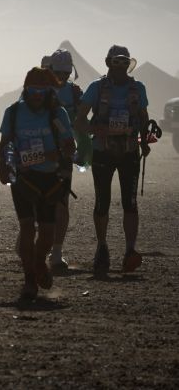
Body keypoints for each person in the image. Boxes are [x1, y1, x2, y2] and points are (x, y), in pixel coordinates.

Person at [0, 67, 76, 299]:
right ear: (26, 89)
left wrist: (61, 153)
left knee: (48, 234)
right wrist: (3, 165)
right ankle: (29, 280)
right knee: (27, 227)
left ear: (50, 91)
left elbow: (70, 146)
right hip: (23, 179)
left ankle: (40, 261)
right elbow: (3, 144)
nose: (38, 95)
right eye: (33, 90)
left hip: (50, 180)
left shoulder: (58, 114)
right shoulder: (13, 113)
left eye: (43, 90)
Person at [74, 45, 150, 275]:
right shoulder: (96, 87)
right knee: (102, 201)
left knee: (130, 202)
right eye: (115, 63)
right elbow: (80, 119)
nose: (119, 68)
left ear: (128, 64)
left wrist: (144, 141)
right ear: (108, 63)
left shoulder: (138, 88)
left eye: (123, 63)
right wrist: (94, 131)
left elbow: (144, 117)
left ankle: (129, 250)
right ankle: (102, 248)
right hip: (102, 152)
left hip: (129, 151)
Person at [46, 48, 87, 272]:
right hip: (38, 155)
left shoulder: (75, 92)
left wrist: (84, 150)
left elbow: (82, 121)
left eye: (65, 72)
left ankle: (57, 253)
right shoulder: (37, 90)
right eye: (57, 72)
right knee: (37, 202)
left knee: (61, 203)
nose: (61, 77)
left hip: (63, 155)